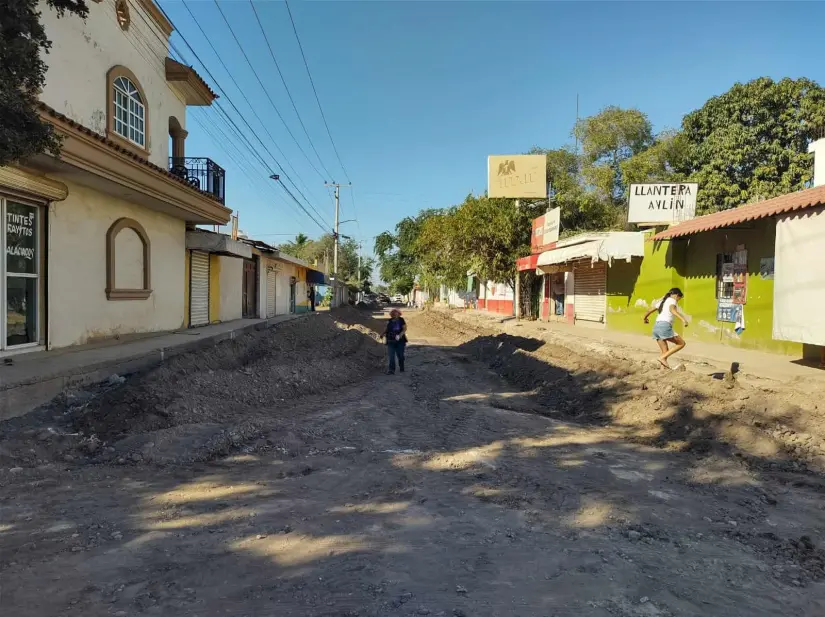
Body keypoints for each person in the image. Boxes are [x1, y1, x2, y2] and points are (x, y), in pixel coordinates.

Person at [643, 287, 688, 369]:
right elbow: (672, 310)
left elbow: (649, 310)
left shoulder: (662, 301)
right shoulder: (672, 300)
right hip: (664, 326)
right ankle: (662, 358)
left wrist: (645, 318)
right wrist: (683, 319)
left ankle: (663, 369)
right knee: (681, 343)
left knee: (665, 351)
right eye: (679, 299)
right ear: (677, 295)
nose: (678, 301)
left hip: (656, 326)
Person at [383, 308, 407, 374]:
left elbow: (404, 329)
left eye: (396, 314)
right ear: (391, 315)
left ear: (399, 314)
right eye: (393, 314)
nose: (394, 315)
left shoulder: (401, 320)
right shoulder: (389, 321)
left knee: (401, 356)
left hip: (400, 341)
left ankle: (401, 366)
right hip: (390, 340)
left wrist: (400, 335)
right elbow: (386, 329)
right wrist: (382, 334)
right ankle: (391, 370)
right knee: (391, 356)